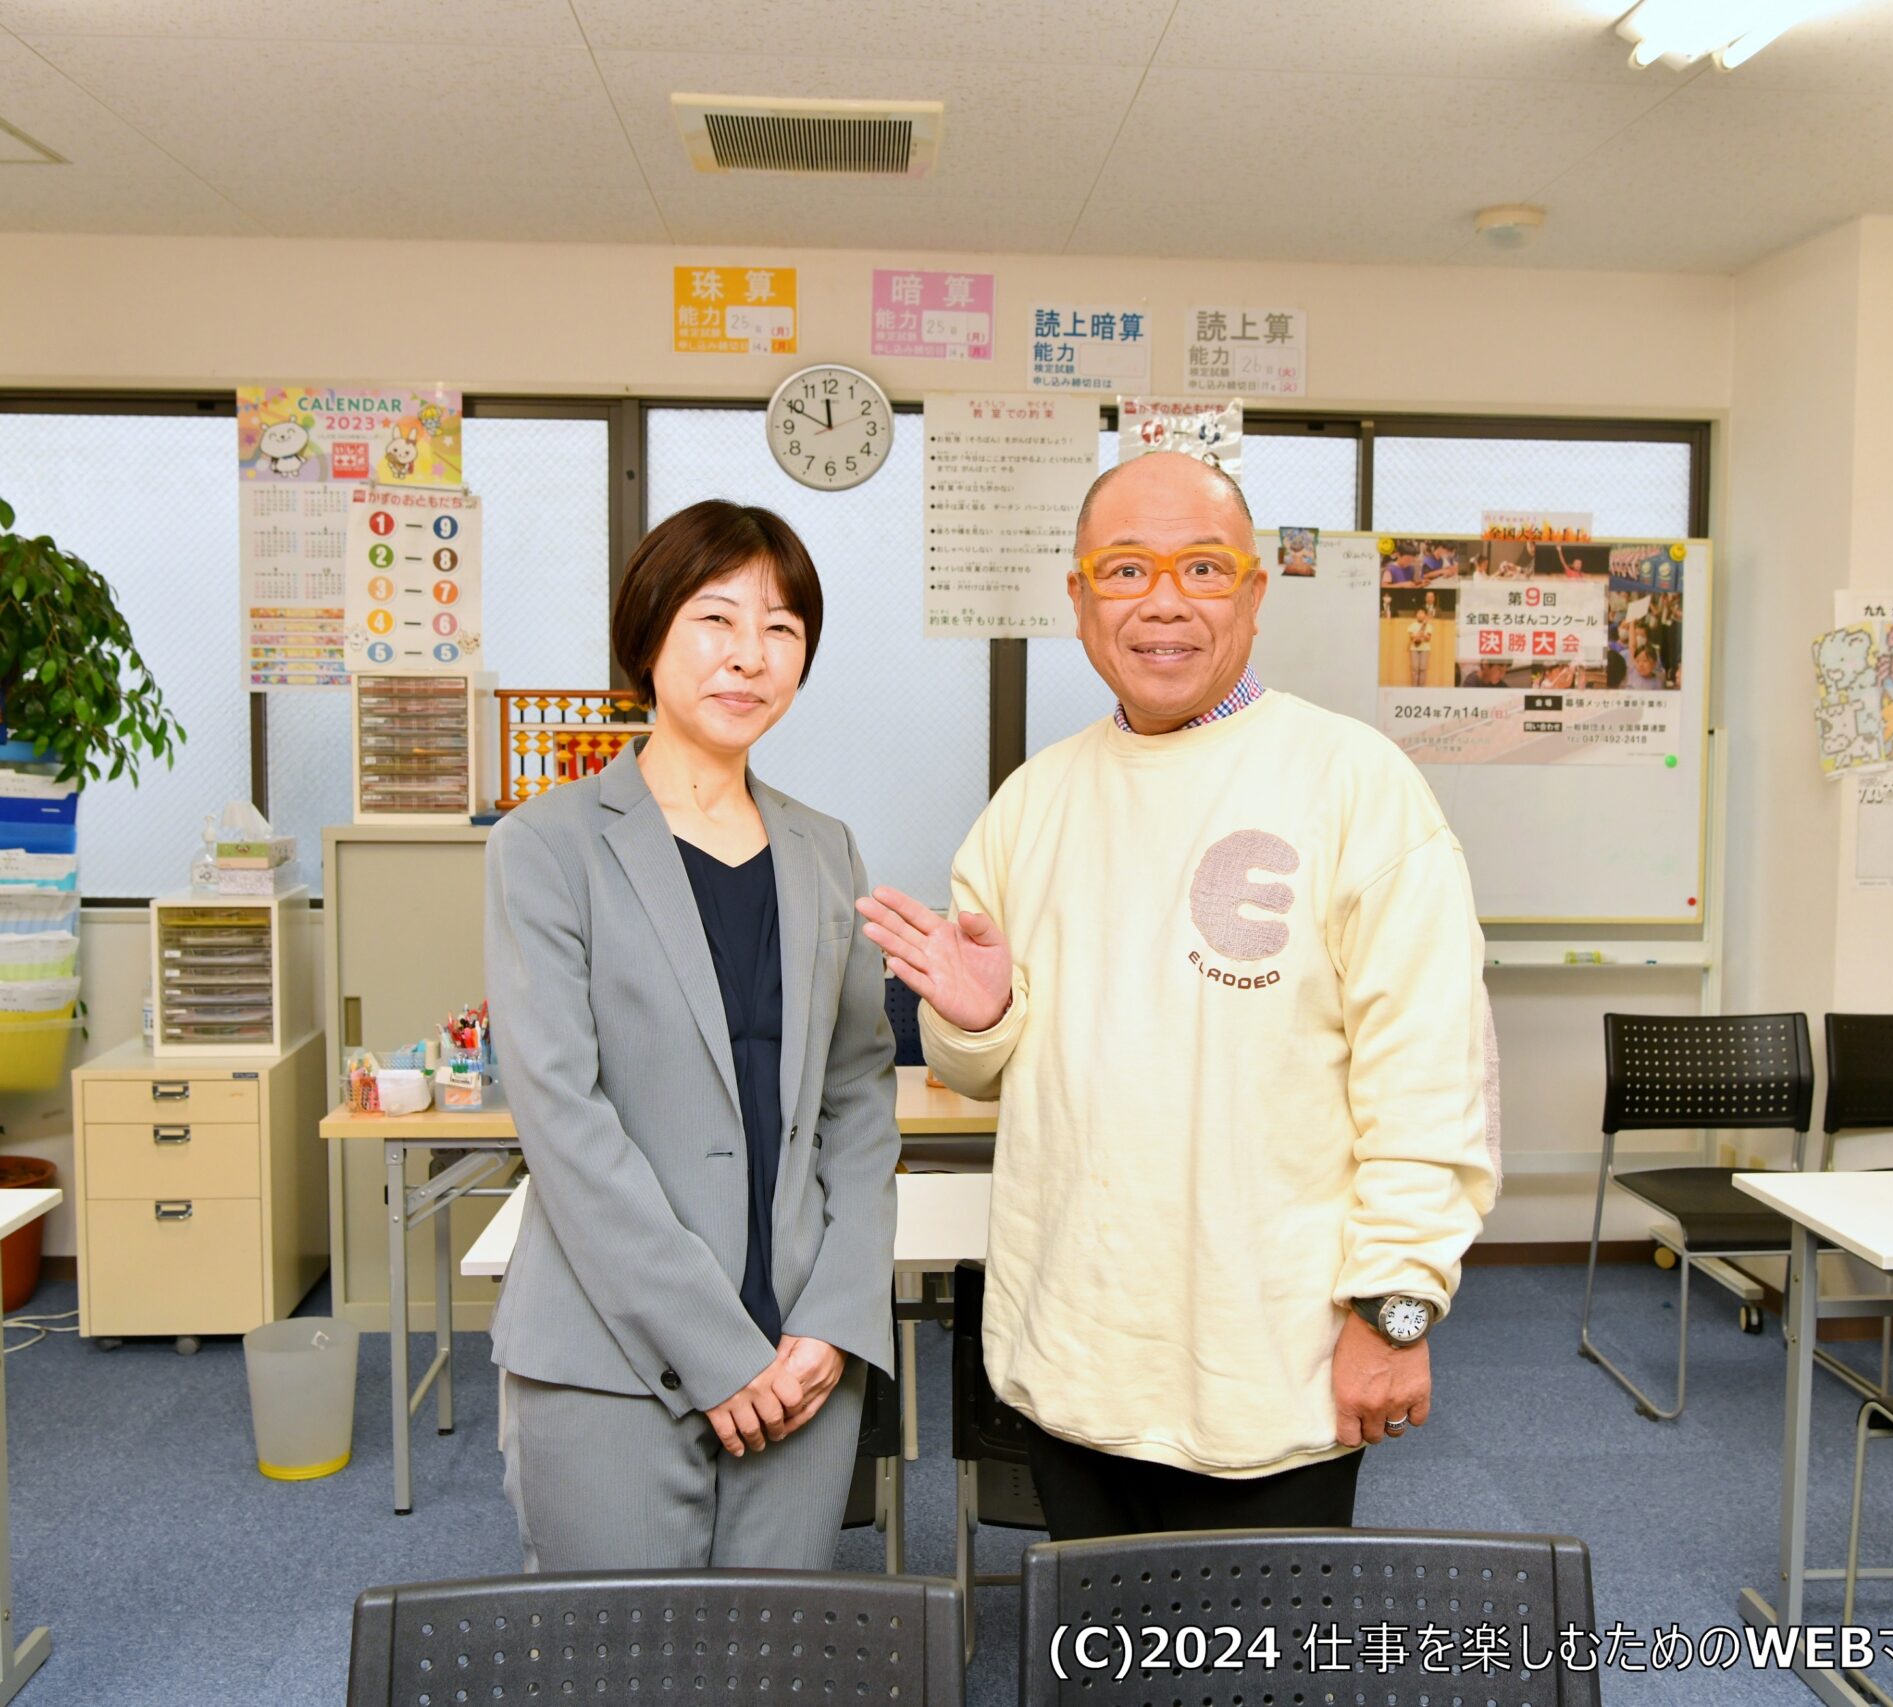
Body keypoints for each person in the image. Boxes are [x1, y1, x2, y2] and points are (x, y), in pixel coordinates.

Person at [857, 451, 1495, 1540]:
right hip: (1075, 1347)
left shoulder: (1352, 782)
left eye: (1203, 568)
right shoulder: (1032, 803)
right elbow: (978, 1073)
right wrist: (969, 1021)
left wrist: (1393, 1308)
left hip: (1270, 1354)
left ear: (1252, 594)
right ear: (1077, 597)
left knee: (1253, 1671)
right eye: (1124, 570)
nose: (1162, 602)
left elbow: (1430, 1073)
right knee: (1100, 1664)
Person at [484, 499, 897, 1572]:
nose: (748, 657)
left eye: (782, 630)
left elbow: (859, 1099)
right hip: (607, 1352)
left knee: (775, 1666)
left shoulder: (826, 850)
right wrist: (719, 1355)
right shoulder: (548, 846)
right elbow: (564, 1126)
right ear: (649, 633)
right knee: (610, 1667)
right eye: (717, 619)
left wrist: (838, 1321)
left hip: (803, 1353)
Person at [1407, 593, 1437, 686]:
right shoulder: (1412, 625)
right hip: (1414, 649)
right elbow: (1412, 638)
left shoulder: (1429, 626)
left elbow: (1428, 639)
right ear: (1416, 614)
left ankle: (1421, 688)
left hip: (1425, 649)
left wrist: (1422, 633)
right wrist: (1418, 636)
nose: (1420, 615)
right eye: (1419, 613)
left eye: (1422, 613)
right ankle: (1414, 688)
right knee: (1415, 668)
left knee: (1423, 669)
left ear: (1425, 614)